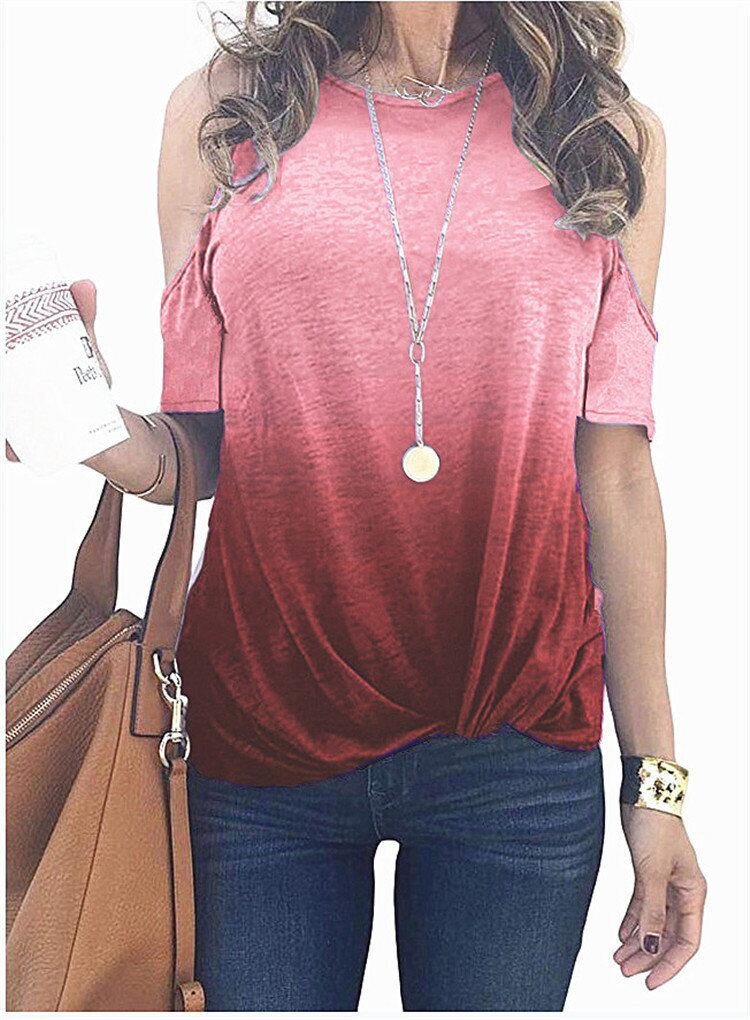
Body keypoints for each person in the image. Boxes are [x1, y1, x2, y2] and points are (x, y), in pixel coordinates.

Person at [8, 1, 707, 1011]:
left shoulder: (600, 131)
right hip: (260, 742)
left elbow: (619, 475)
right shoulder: (226, 109)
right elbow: (203, 446)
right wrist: (85, 428)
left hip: (515, 748)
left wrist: (658, 787)